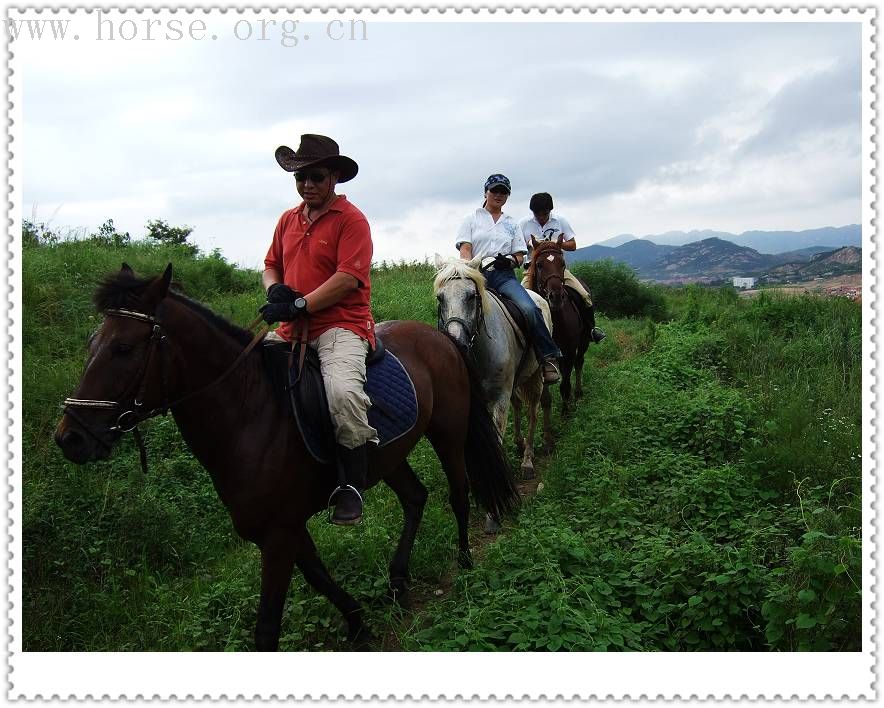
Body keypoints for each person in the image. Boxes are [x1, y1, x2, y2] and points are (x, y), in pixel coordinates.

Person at [260, 134, 378, 525]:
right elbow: (270, 264)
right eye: (301, 177)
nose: (307, 184)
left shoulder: (352, 220)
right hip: (293, 327)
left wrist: (301, 304)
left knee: (343, 393)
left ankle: (352, 485)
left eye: (316, 176)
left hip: (339, 324)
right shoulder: (287, 220)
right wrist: (274, 289)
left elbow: (348, 278)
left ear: (334, 179)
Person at [455, 174, 562, 384]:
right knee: (456, 308)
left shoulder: (512, 223)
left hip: (503, 276)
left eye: (503, 192)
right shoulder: (471, 219)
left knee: (530, 308)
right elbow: (465, 250)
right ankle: (451, 357)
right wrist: (470, 271)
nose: (499, 195)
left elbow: (520, 256)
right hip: (478, 275)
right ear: (485, 192)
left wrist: (510, 261)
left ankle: (548, 357)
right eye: (495, 190)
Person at [520, 192, 606, 343]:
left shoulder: (560, 221)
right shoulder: (523, 224)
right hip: (533, 270)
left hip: (557, 270)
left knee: (584, 295)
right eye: (537, 214)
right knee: (518, 299)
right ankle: (520, 335)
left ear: (550, 211)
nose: (541, 217)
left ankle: (591, 330)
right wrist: (530, 246)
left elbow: (572, 245)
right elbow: (516, 247)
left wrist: (554, 244)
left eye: (544, 213)